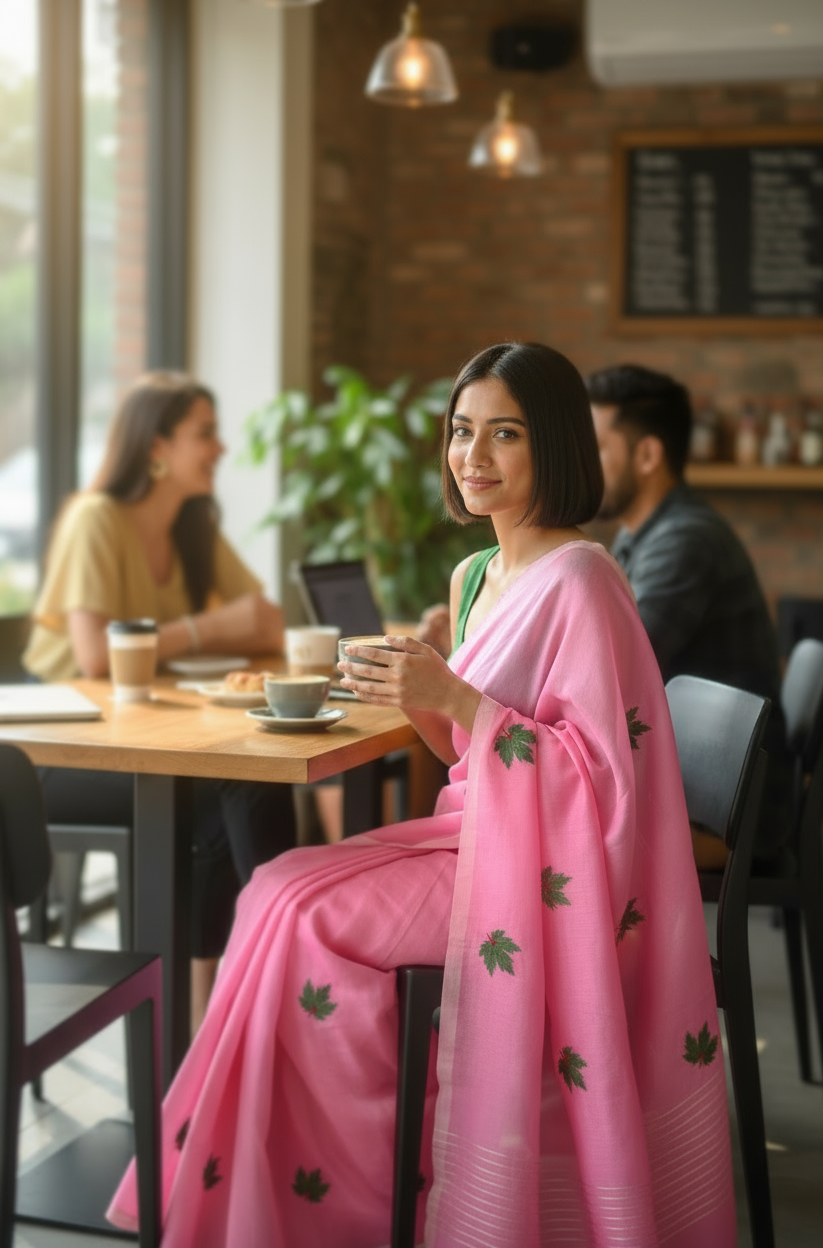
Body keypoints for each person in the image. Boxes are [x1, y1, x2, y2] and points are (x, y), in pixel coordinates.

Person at [109, 343, 735, 1247]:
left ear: (556, 444)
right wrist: (420, 693)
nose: (473, 456)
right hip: (473, 835)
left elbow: (602, 782)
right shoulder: (476, 576)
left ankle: (364, 1198)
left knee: (296, 908)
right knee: (271, 888)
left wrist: (454, 696)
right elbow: (464, 750)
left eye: (505, 434)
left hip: (535, 871)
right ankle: (252, 1180)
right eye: (461, 431)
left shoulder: (584, 580)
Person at [23, 372, 297, 1030]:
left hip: (150, 737)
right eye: (205, 433)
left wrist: (214, 629)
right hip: (63, 758)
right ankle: (277, 974)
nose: (221, 448)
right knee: (237, 784)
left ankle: (232, 1007)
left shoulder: (194, 525)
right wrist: (206, 629)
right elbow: (96, 655)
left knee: (247, 778)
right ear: (156, 446)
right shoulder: (95, 519)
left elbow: (265, 622)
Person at [585, 363, 791, 868]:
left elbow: (613, 668)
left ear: (647, 455)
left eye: (597, 447)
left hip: (726, 813)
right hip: (698, 784)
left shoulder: (685, 540)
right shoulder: (644, 533)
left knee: (548, 835)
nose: (582, 463)